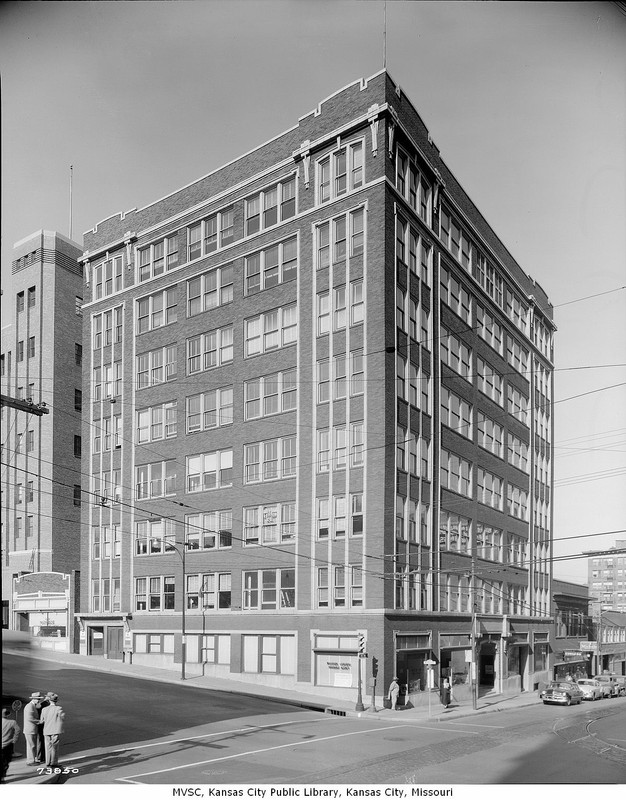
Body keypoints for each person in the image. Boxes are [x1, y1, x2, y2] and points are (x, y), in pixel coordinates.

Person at [40, 693, 65, 767]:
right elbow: (62, 717)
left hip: (46, 730)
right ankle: (54, 762)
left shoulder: (44, 709)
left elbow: (42, 721)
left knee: (48, 746)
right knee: (54, 747)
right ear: (56, 701)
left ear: (49, 701)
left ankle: (47, 762)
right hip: (54, 730)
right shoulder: (58, 708)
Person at [23, 691, 45, 765]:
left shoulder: (33, 705)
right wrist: (39, 721)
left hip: (32, 729)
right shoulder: (29, 706)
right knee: (31, 745)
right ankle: (30, 761)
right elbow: (30, 718)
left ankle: (33, 759)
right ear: (34, 699)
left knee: (33, 745)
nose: (39, 701)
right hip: (30, 730)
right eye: (38, 699)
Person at [1, 708, 21, 783]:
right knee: (6, 761)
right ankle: (3, 776)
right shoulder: (12, 722)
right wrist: (14, 740)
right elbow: (18, 730)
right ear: (7, 715)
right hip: (8, 745)